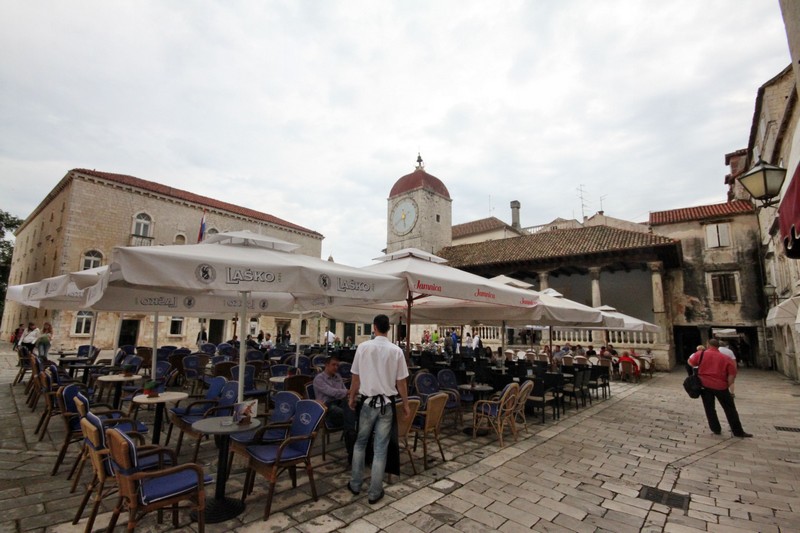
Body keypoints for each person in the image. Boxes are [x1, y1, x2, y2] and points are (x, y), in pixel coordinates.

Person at [348, 314, 410, 504]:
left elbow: (355, 378)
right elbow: (401, 382)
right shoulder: (396, 351)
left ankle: (355, 484)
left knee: (360, 444)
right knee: (380, 449)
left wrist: (351, 397)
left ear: (374, 327)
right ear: (388, 328)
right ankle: (375, 492)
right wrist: (406, 404)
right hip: (386, 405)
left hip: (367, 403)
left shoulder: (363, 347)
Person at [688, 339, 751, 438]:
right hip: (721, 386)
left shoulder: (701, 354)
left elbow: (691, 362)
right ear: (718, 346)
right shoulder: (726, 358)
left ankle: (715, 428)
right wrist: (729, 385)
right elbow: (732, 374)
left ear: (708, 345)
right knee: (730, 409)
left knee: (709, 408)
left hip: (705, 385)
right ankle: (738, 431)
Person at [313, 355, 354, 429]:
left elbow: (343, 391)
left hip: (339, 401)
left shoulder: (338, 376)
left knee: (355, 407)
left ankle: (350, 432)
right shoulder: (319, 379)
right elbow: (331, 392)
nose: (336, 367)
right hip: (326, 405)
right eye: (333, 365)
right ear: (326, 365)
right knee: (347, 413)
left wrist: (349, 395)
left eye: (337, 365)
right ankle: (351, 431)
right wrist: (348, 392)